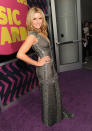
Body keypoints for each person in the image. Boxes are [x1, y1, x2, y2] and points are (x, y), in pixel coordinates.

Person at [16, 7, 74, 126]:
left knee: (54, 90)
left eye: (40, 18)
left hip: (50, 66)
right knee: (48, 94)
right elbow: (20, 54)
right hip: (44, 69)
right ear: (30, 21)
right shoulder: (32, 35)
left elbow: (42, 49)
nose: (38, 21)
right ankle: (49, 120)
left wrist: (40, 55)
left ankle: (57, 114)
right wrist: (38, 63)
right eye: (34, 19)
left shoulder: (41, 31)